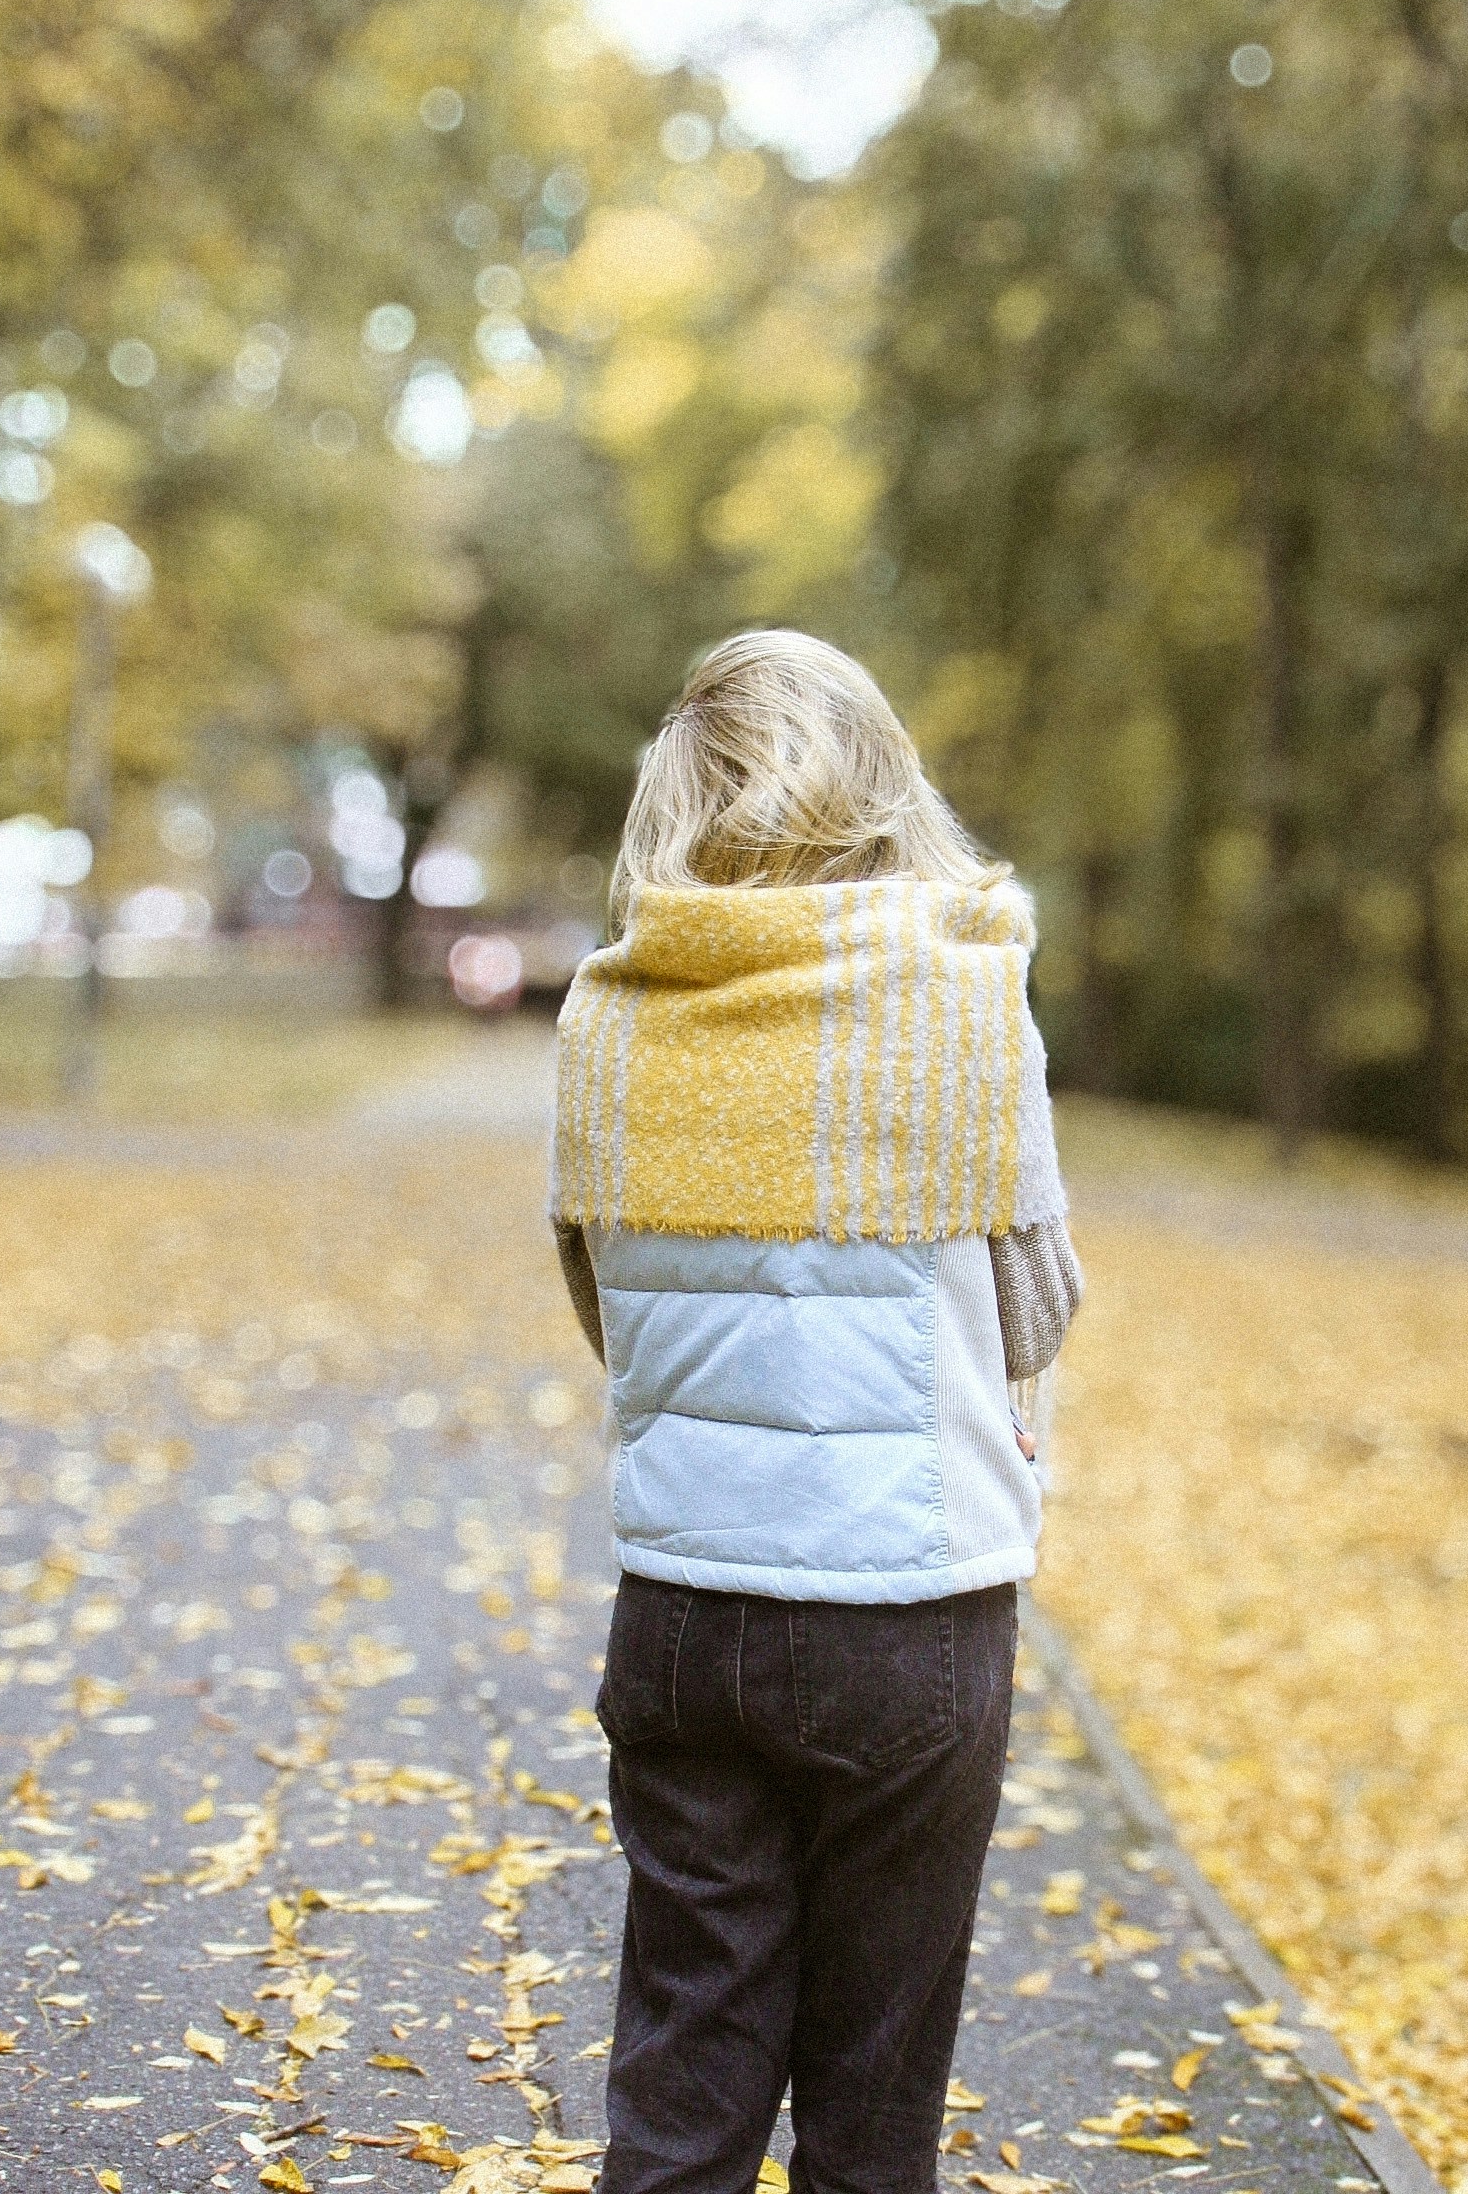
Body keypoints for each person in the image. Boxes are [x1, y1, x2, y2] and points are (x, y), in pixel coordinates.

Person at [550, 629, 1081, 2194]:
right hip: (906, 1609)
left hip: (682, 1612)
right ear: (878, 782)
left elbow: (606, 1318)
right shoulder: (961, 1013)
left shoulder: (612, 1019)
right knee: (870, 2110)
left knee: (681, 2081)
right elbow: (1032, 1309)